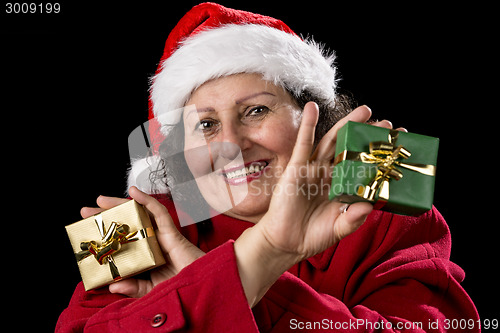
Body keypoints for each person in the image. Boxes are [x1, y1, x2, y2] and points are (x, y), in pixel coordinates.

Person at [56, 3, 479, 332]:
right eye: (205, 124)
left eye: (256, 110)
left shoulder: (384, 203)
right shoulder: (134, 231)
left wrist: (211, 287)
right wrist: (254, 264)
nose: (232, 145)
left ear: (314, 116)